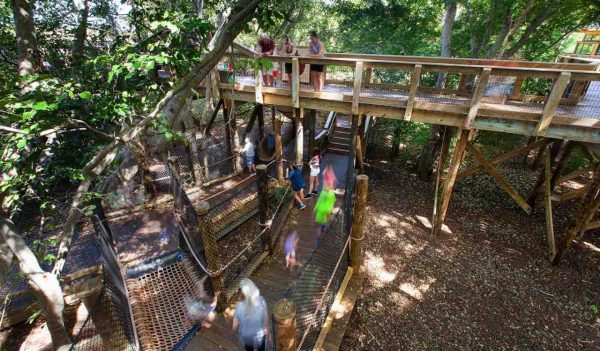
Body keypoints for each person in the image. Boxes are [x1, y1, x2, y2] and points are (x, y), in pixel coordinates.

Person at [232, 278, 270, 351]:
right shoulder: (261, 301)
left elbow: (234, 327)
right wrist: (266, 330)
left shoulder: (239, 307)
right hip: (260, 336)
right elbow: (266, 319)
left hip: (247, 337)